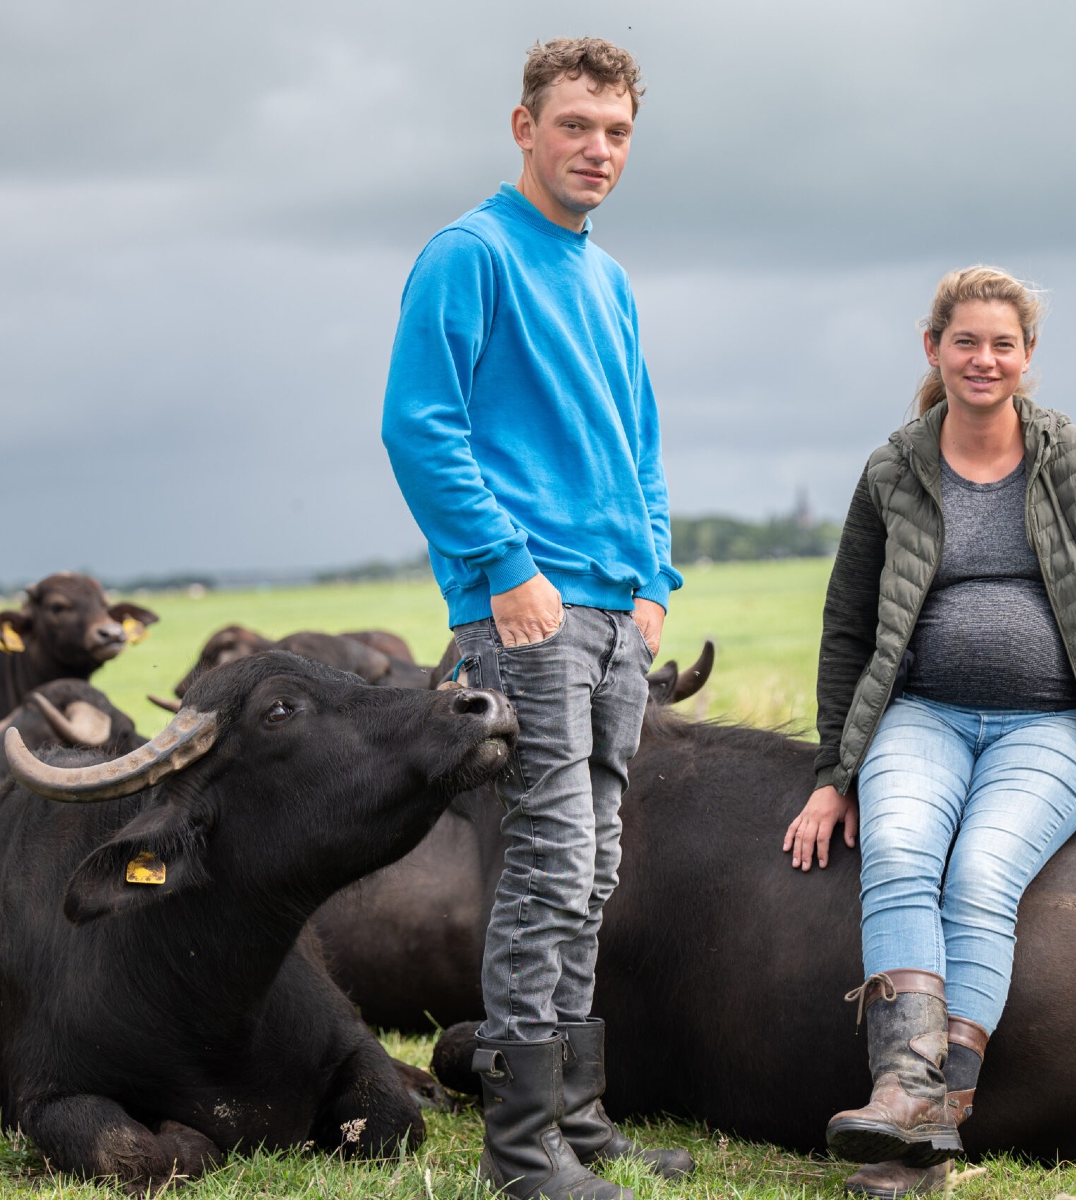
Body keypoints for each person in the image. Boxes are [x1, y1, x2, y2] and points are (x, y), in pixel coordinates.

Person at [783, 266, 1076, 1198]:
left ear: (1027, 358)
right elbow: (847, 628)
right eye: (966, 342)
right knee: (901, 849)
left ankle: (935, 1118)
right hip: (922, 716)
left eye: (1002, 344)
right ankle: (905, 1088)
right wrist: (835, 773)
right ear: (934, 351)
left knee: (983, 870)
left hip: (1051, 725)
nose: (983, 360)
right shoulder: (891, 470)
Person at [381, 36, 691, 1200]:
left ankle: (577, 1121)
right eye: (575, 126)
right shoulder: (470, 254)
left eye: (615, 132)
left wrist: (655, 581)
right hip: (528, 616)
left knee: (596, 867)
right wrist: (504, 568)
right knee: (549, 869)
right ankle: (522, 1155)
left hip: (617, 619)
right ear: (525, 129)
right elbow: (420, 425)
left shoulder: (607, 280)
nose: (597, 150)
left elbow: (641, 445)